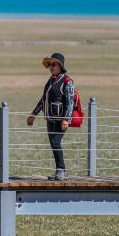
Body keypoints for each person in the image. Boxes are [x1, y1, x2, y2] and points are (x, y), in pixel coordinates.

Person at [27, 52, 75, 181]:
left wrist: (66, 119)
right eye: (50, 65)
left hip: (61, 120)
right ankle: (61, 170)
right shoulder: (50, 81)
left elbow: (70, 102)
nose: (51, 67)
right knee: (53, 144)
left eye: (54, 64)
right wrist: (33, 114)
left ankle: (61, 170)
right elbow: (44, 99)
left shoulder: (67, 81)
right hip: (50, 118)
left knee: (55, 142)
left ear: (60, 66)